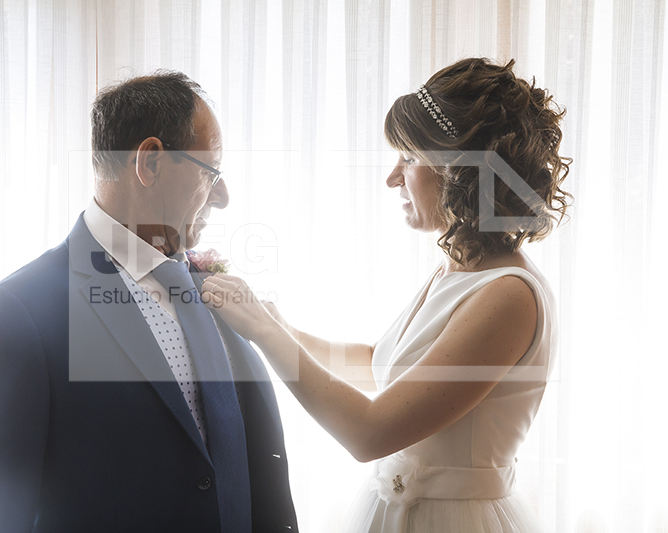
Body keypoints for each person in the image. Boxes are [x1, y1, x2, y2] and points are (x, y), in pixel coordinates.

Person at [200, 58, 571, 532]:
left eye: (409, 158)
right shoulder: (458, 266)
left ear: (462, 172)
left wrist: (265, 334)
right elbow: (378, 362)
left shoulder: (509, 296)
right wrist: (275, 324)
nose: (393, 177)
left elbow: (369, 433)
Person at [0, 72, 298, 532]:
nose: (224, 197)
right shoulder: (20, 312)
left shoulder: (215, 288)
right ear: (149, 163)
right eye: (211, 171)